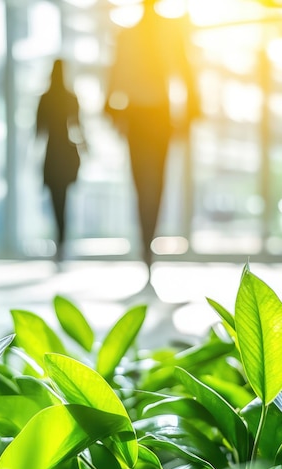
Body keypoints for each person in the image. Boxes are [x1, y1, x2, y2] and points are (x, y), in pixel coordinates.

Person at [105, 0, 200, 269]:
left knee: (155, 181)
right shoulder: (128, 34)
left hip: (157, 114)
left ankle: (149, 244)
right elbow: (115, 75)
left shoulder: (162, 32)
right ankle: (146, 243)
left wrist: (192, 109)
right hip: (140, 115)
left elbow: (184, 70)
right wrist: (112, 109)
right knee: (142, 181)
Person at [36, 59, 84, 260]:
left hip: (53, 153)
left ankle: (60, 240)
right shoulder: (70, 97)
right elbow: (78, 126)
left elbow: (38, 130)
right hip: (66, 152)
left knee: (56, 200)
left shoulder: (45, 98)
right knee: (64, 199)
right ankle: (63, 240)